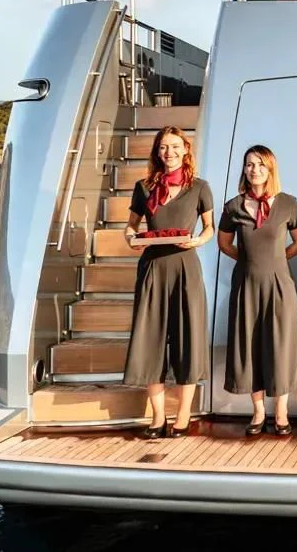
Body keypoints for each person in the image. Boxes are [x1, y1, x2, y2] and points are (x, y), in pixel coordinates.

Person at [121, 126, 215, 439]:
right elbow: (131, 227)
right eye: (163, 147)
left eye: (175, 146)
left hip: (186, 268)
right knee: (151, 340)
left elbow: (209, 228)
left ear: (185, 150)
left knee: (188, 338)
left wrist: (197, 241)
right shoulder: (144, 187)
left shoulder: (199, 187)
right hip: (153, 269)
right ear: (157, 152)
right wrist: (131, 239)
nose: (169, 153)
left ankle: (183, 414)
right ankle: (158, 416)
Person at [218, 145, 297, 437]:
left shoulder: (288, 204)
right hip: (246, 284)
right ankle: (258, 412)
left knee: (281, 345)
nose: (254, 170)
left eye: (260, 165)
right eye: (249, 164)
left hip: (280, 285)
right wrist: (248, 261)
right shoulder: (233, 206)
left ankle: (281, 412)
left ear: (270, 169)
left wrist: (276, 260)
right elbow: (224, 244)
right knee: (249, 344)